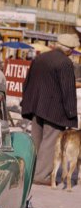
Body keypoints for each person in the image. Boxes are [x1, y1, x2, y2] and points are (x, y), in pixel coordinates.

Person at [21, 32, 79, 185]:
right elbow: (68, 91)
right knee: (50, 142)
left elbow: (27, 81)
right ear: (69, 50)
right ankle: (41, 176)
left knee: (36, 141)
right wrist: (71, 114)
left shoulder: (41, 57)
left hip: (36, 106)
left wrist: (27, 101)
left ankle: (28, 172)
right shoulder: (65, 63)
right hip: (54, 110)